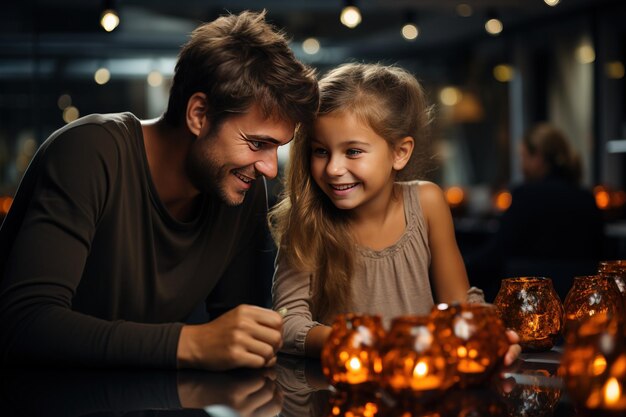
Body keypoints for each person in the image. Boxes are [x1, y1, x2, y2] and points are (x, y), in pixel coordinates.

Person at [0, 10, 319, 370]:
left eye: (276, 148)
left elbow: (236, 336)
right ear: (199, 114)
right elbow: (25, 324)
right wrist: (191, 343)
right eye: (257, 143)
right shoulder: (89, 152)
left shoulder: (239, 190)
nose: (270, 168)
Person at [270, 63, 520, 364]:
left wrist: (486, 332)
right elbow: (287, 323)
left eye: (353, 152)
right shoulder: (307, 219)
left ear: (399, 153)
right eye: (321, 151)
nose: (334, 169)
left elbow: (459, 307)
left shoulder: (427, 202)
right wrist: (368, 344)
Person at [464, 123, 605, 301]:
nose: (521, 166)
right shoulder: (587, 198)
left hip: (530, 305)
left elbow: (496, 255)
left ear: (538, 156)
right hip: (580, 303)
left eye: (523, 157)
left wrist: (461, 265)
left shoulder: (526, 195)